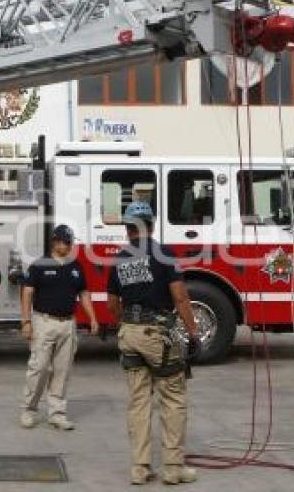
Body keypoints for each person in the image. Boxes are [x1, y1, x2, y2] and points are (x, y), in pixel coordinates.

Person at [106, 201, 201, 485]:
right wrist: (193, 333)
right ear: (152, 225)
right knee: (172, 398)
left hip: (129, 334)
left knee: (138, 402)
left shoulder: (120, 259)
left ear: (128, 229)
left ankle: (139, 468)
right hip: (157, 335)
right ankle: (173, 468)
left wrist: (125, 324)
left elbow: (112, 303)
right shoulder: (164, 254)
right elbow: (181, 298)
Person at [19, 224, 99, 430]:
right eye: (66, 242)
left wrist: (92, 318)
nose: (70, 246)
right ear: (55, 242)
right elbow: (27, 293)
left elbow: (83, 294)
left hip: (68, 324)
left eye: (71, 242)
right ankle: (29, 410)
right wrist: (26, 322)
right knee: (39, 368)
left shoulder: (75, 266)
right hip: (44, 322)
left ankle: (57, 413)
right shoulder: (39, 265)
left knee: (63, 371)